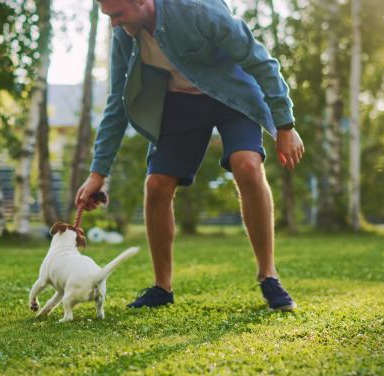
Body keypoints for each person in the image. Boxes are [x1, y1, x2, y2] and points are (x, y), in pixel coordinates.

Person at [75, 0, 304, 311]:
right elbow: (118, 102)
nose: (114, 24)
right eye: (109, 17)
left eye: (118, 15)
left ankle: (269, 277)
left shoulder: (197, 10)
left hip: (232, 93)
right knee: (156, 185)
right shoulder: (124, 36)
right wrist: (97, 174)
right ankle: (161, 287)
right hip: (180, 103)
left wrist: (285, 123)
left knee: (247, 166)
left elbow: (260, 60)